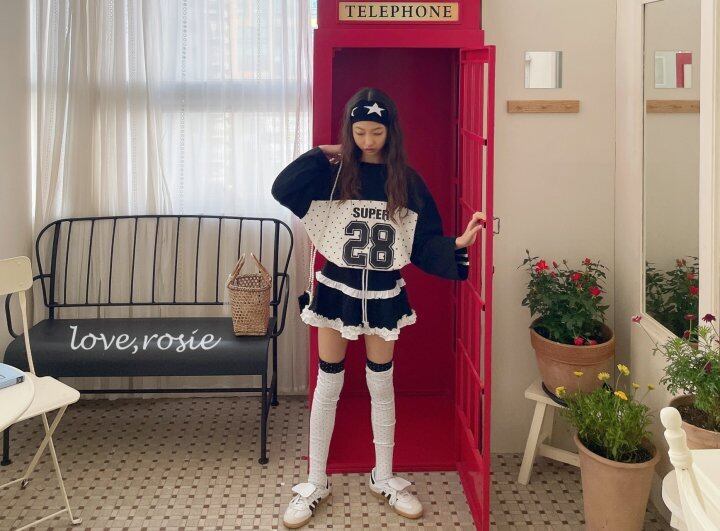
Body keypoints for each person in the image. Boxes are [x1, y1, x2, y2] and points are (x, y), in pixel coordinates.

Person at [271, 87, 484, 529]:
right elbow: (282, 188)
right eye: (359, 132)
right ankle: (315, 480)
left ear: (391, 132)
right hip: (337, 291)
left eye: (376, 132)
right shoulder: (333, 177)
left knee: (381, 385)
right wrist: (323, 152)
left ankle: (383, 476)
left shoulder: (406, 181)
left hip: (385, 296)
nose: (368, 141)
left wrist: (459, 243)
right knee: (328, 385)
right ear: (349, 132)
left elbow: (424, 242)